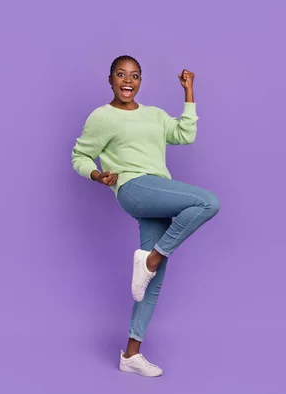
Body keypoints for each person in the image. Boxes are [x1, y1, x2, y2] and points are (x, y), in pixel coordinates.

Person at [71, 55, 220, 377]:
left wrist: (189, 92)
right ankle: (152, 257)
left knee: (151, 282)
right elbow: (80, 155)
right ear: (110, 79)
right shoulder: (102, 117)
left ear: (141, 81)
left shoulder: (154, 115)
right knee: (208, 202)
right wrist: (97, 175)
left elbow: (184, 135)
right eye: (122, 75)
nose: (128, 81)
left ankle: (131, 354)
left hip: (157, 192)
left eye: (135, 76)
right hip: (134, 188)